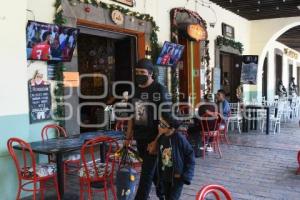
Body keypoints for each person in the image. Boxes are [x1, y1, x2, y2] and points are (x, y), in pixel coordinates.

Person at [125, 58, 170, 200]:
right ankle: (163, 194)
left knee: (146, 174)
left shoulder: (159, 89)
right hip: (140, 137)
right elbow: (132, 116)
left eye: (142, 72)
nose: (139, 74)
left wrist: (157, 141)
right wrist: (128, 137)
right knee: (152, 171)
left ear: (150, 73)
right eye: (137, 72)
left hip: (156, 138)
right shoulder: (135, 90)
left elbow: (166, 119)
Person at [148, 116, 195, 200]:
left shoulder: (179, 138)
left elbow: (190, 154)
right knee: (167, 197)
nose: (159, 126)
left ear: (172, 128)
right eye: (159, 123)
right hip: (164, 176)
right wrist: (158, 135)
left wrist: (187, 175)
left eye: (163, 125)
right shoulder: (161, 137)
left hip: (177, 176)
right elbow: (151, 151)